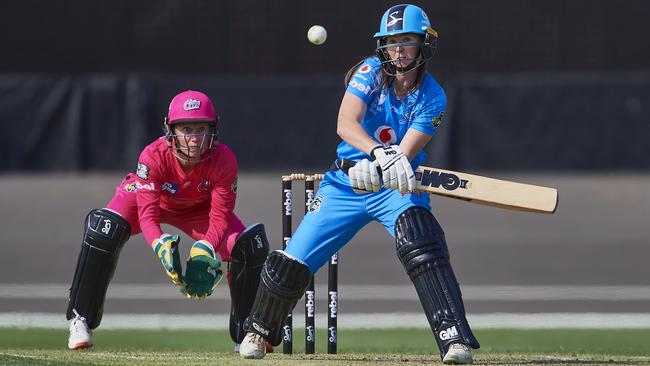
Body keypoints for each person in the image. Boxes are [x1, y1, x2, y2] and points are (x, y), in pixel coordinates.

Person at [238, 4, 479, 364]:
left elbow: (407, 151)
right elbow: (346, 122)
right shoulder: (369, 71)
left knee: (421, 238)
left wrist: (388, 161)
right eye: (391, 41)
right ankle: (258, 331)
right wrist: (376, 153)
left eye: (406, 41)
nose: (398, 50)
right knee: (293, 260)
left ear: (423, 44)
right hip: (344, 183)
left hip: (396, 186)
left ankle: (453, 339)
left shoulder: (434, 96)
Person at [66, 90, 271, 353]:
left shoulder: (225, 160)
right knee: (103, 229)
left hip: (198, 208)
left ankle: (248, 333)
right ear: (171, 130)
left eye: (201, 129)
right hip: (148, 201)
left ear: (213, 130)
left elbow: (220, 216)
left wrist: (206, 247)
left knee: (249, 246)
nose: (194, 139)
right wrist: (161, 245)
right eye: (187, 129)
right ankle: (80, 318)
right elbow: (147, 216)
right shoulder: (153, 156)